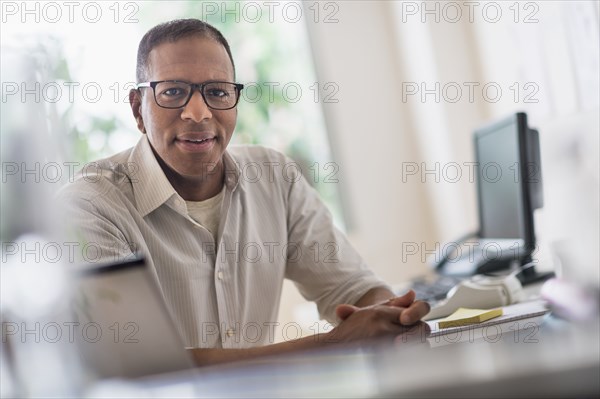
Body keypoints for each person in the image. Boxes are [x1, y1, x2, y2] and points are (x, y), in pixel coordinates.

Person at [59, 18, 430, 366]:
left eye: (217, 92)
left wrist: (392, 316)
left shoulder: (275, 178)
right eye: (173, 92)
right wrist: (332, 344)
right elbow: (140, 363)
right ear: (138, 109)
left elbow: (353, 289)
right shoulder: (90, 206)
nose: (198, 112)